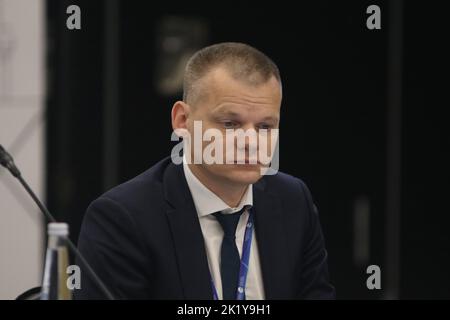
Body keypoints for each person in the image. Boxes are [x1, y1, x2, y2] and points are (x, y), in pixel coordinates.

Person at [75, 42, 335, 300]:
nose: (250, 141)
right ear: (182, 120)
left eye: (265, 127)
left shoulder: (293, 201)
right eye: (230, 123)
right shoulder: (123, 218)